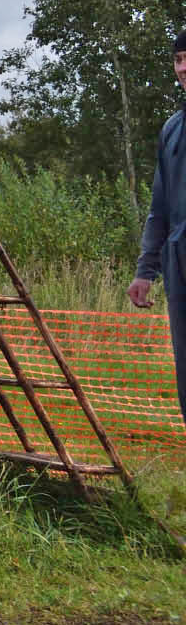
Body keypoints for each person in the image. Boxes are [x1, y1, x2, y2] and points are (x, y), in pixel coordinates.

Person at [128, 29, 186, 423]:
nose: (183, 68)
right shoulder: (172, 129)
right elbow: (159, 207)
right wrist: (145, 270)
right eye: (179, 60)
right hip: (179, 261)